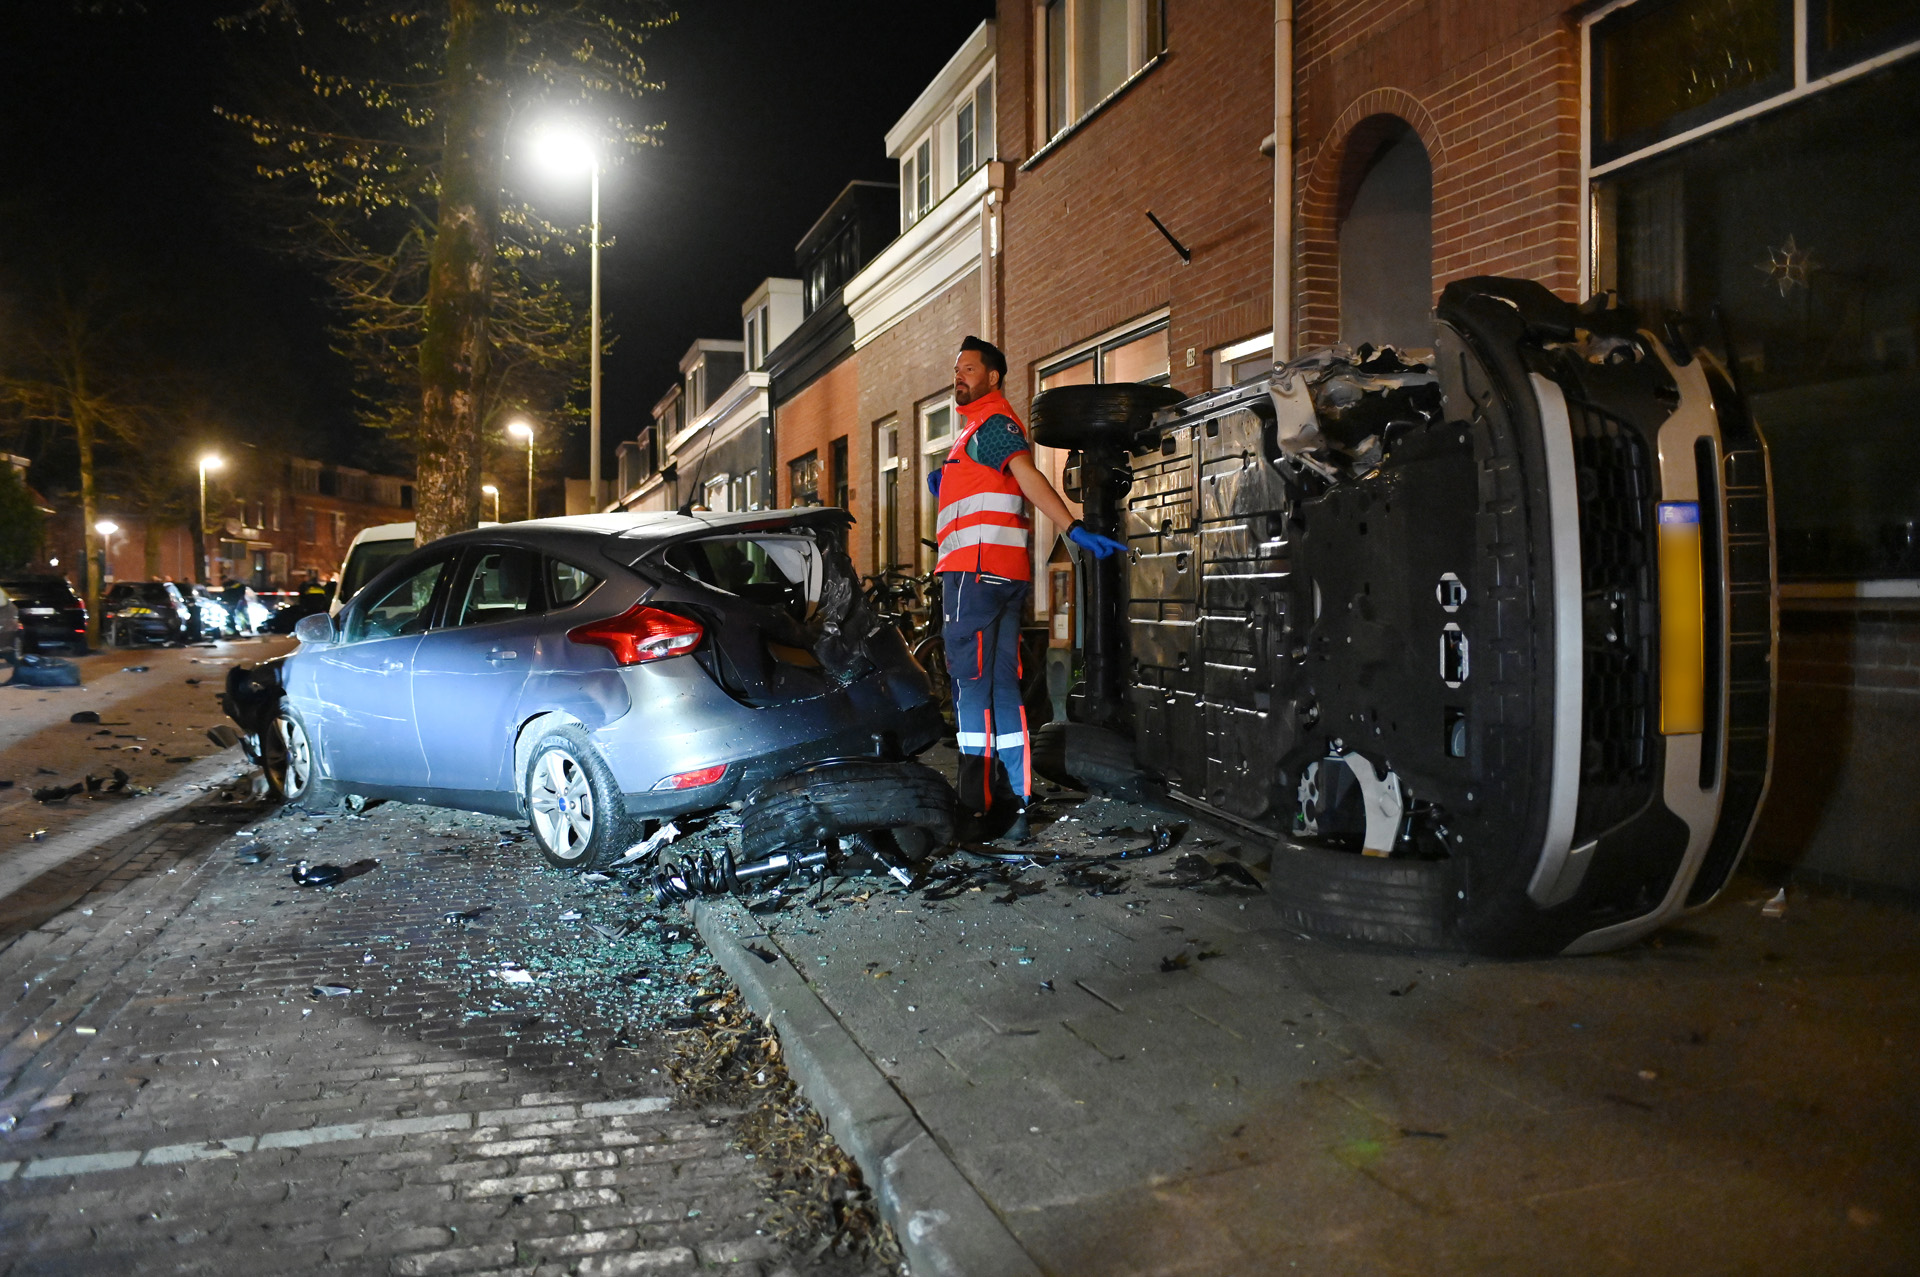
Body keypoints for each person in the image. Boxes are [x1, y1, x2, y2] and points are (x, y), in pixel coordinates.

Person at [928, 335, 1128, 841]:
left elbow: (1025, 475)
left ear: (993, 377)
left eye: (969, 369)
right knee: (1000, 688)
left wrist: (1069, 525)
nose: (959, 377)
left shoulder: (993, 423)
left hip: (972, 578)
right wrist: (946, 481)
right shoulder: (977, 433)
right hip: (1005, 578)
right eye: (957, 370)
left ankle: (975, 808)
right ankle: (1016, 801)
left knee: (969, 690)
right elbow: (991, 488)